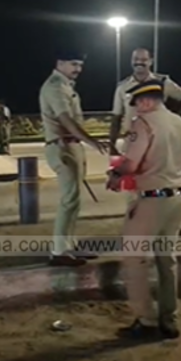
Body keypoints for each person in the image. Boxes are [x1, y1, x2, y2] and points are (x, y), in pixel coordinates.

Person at [107, 80, 181, 340]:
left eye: (135, 104)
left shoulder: (143, 123)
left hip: (151, 200)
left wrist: (115, 173)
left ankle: (146, 320)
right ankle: (169, 319)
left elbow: (131, 164)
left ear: (145, 100)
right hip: (176, 199)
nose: (134, 110)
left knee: (134, 259)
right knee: (167, 261)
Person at [39, 49, 110, 267]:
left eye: (80, 65)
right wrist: (92, 141)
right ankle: (59, 250)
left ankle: (68, 246)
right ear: (59, 63)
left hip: (71, 146)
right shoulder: (54, 87)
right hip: (62, 147)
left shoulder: (66, 86)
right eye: (73, 64)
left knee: (74, 200)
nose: (78, 69)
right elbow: (66, 119)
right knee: (69, 200)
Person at [109, 48, 181, 155]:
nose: (139, 62)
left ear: (150, 61)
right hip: (132, 144)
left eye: (144, 59)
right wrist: (112, 145)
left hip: (159, 144)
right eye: (136, 59)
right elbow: (116, 119)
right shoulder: (122, 87)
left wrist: (173, 119)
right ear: (131, 60)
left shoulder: (162, 82)